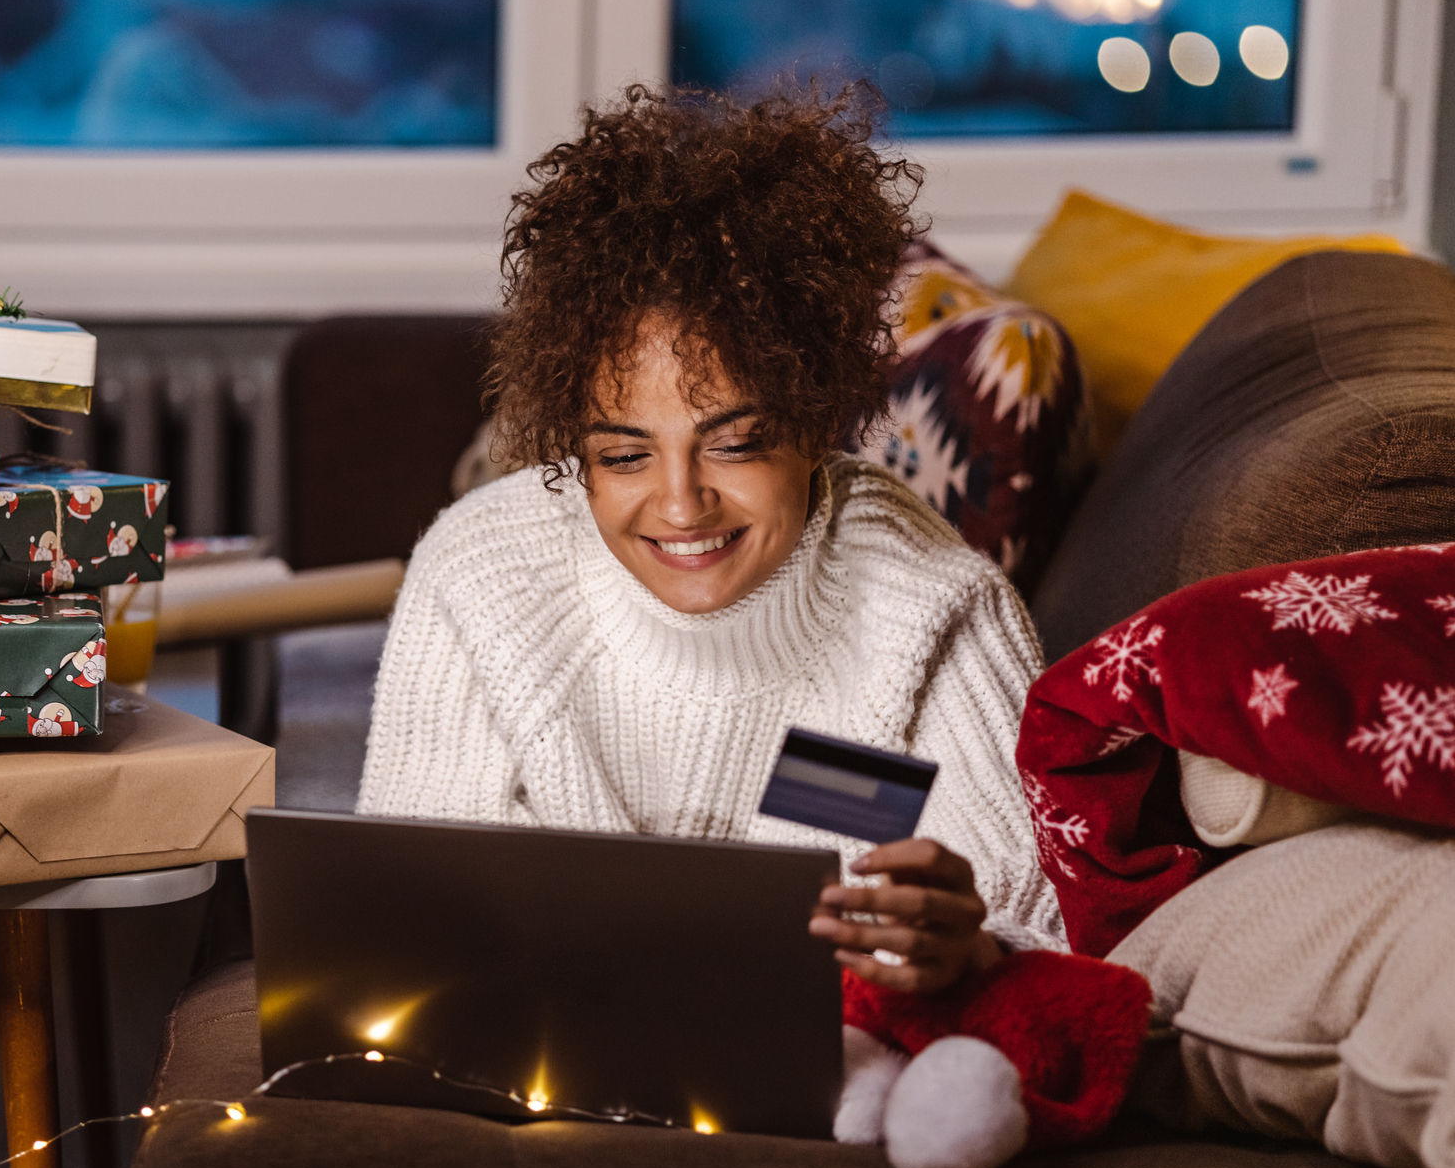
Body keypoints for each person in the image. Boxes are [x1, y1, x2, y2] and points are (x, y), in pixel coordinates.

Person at [358, 84, 1065, 993]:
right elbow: (407, 917)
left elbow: (1040, 928)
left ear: (817, 422)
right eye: (623, 456)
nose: (682, 506)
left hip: (830, 1063)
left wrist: (970, 950)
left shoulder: (934, 606)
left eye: (736, 444)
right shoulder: (478, 579)